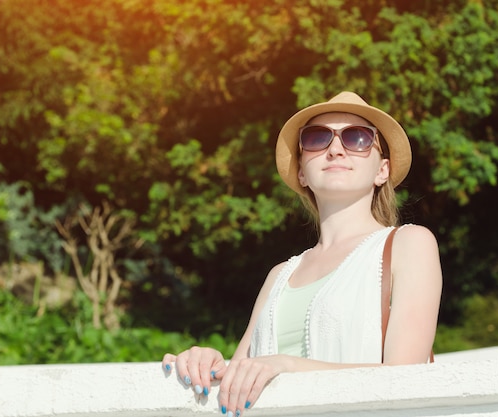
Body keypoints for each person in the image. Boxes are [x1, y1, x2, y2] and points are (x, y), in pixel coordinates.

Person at [162, 91, 443, 417]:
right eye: (317, 138)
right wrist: (208, 364)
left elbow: (405, 378)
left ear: (382, 170)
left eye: (358, 138)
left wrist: (287, 365)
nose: (336, 149)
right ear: (301, 173)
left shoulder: (409, 244)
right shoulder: (280, 275)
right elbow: (245, 373)